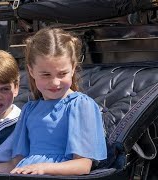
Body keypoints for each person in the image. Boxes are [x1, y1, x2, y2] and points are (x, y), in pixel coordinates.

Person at [9, 27, 107, 175]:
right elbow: (15, 164)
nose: (55, 82)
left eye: (62, 74)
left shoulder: (80, 105)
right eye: (46, 74)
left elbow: (83, 165)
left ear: (73, 68)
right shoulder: (29, 110)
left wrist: (43, 168)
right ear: (31, 71)